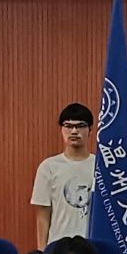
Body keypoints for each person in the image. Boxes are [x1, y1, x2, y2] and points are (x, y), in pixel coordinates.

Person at [30, 102, 96, 246]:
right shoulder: (48, 167)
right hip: (58, 247)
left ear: (90, 130)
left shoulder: (100, 167)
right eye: (68, 126)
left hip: (92, 247)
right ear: (61, 129)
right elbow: (43, 215)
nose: (74, 131)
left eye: (80, 126)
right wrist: (42, 251)